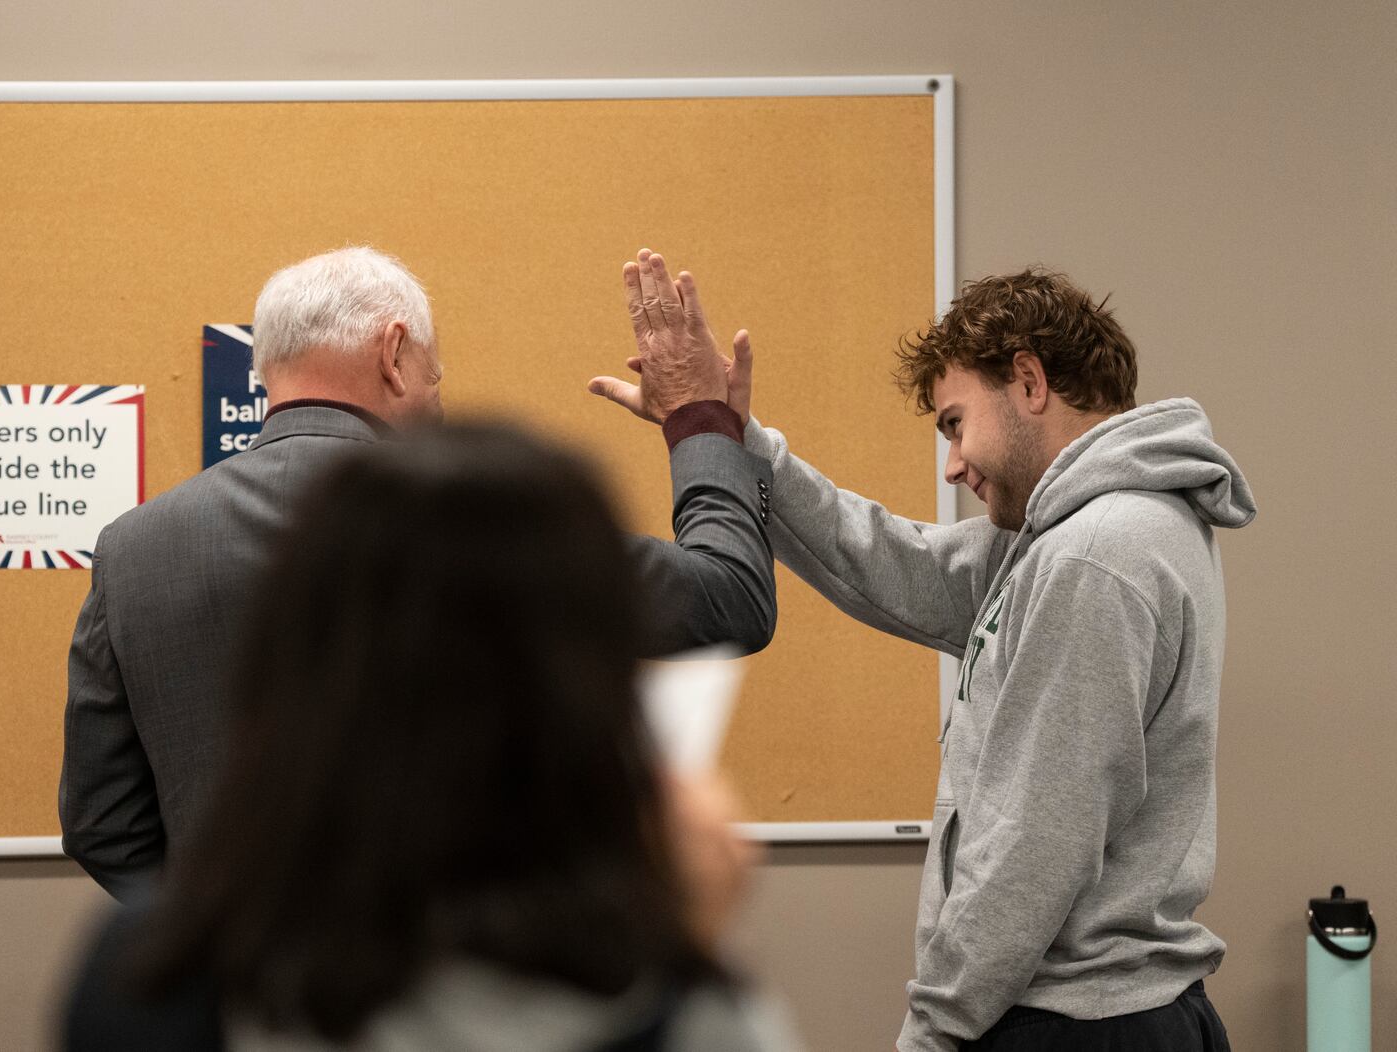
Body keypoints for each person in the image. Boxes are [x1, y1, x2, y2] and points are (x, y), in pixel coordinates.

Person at [590, 254, 1254, 1051]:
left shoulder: (1095, 554)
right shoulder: (1074, 538)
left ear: (1030, 381)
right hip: (1086, 1015)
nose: (953, 463)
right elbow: (895, 566)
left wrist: (932, 1034)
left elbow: (1033, 847)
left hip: (1079, 1027)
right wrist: (733, 440)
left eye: (955, 423)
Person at [60, 246, 776, 900]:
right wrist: (696, 416)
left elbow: (102, 823)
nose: (437, 396)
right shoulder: (483, 513)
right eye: (436, 374)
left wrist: (221, 933)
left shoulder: (132, 548)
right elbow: (728, 599)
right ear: (395, 354)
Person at [61, 423, 802, 1052]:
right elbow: (726, 596)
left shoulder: (140, 981)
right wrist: (684, 944)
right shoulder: (669, 1007)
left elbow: (103, 823)